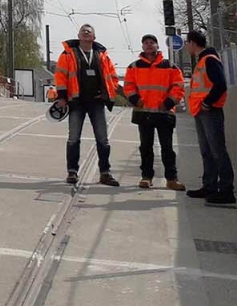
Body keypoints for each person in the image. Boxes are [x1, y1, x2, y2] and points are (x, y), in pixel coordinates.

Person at [53, 23, 121, 186]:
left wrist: (106, 94)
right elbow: (60, 76)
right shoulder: (68, 54)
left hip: (96, 102)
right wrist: (62, 96)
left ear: (94, 37)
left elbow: (112, 77)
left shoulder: (102, 55)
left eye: (89, 31)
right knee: (73, 137)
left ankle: (105, 173)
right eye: (83, 30)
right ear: (78, 36)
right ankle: (72, 172)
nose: (86, 32)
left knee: (103, 139)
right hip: (76, 101)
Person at [123, 34, 187, 190]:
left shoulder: (170, 66)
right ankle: (146, 177)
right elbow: (128, 86)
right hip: (143, 112)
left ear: (158, 46)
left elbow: (178, 86)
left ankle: (171, 179)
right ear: (143, 47)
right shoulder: (134, 67)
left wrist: (169, 102)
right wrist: (136, 100)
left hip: (164, 113)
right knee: (146, 147)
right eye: (146, 43)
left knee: (167, 148)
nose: (149, 45)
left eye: (152, 43)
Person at [183, 30, 234, 205]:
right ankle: (210, 185)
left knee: (218, 151)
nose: (185, 46)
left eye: (186, 42)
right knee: (207, 151)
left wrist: (207, 103)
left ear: (192, 43)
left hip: (209, 111)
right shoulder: (203, 61)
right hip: (201, 112)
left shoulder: (209, 60)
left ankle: (226, 190)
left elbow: (220, 84)